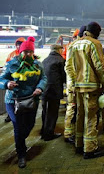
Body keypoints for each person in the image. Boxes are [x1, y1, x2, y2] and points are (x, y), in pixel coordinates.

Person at [0, 37, 47, 168]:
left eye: (30, 52)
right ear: (20, 52)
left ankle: (21, 140)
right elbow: (1, 79)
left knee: (30, 125)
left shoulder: (38, 64)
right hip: (13, 101)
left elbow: (43, 77)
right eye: (25, 52)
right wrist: (7, 83)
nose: (27, 54)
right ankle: (21, 154)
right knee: (18, 126)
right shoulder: (11, 64)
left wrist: (40, 87)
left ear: (33, 52)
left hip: (32, 100)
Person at [65, 22, 104, 159]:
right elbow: (99, 66)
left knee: (80, 115)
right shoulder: (94, 43)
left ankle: (79, 144)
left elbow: (68, 67)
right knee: (91, 117)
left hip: (78, 87)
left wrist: (74, 82)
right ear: (96, 32)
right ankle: (89, 149)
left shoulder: (74, 44)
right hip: (91, 87)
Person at [64, 25, 86, 144]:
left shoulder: (75, 46)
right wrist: (73, 83)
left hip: (76, 83)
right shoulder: (74, 46)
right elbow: (68, 67)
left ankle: (73, 132)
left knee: (76, 108)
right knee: (72, 107)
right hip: (73, 84)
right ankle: (68, 134)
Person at [41, 44, 66, 141]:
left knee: (45, 112)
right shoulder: (60, 60)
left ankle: (44, 132)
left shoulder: (45, 60)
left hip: (44, 89)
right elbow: (64, 76)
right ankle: (49, 134)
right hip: (54, 91)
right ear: (59, 50)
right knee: (52, 113)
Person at [4, 37, 26, 123]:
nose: (19, 46)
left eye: (20, 44)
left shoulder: (27, 54)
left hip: (22, 83)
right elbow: (6, 68)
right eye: (18, 44)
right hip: (13, 82)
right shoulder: (11, 55)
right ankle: (10, 116)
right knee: (11, 101)